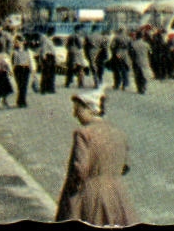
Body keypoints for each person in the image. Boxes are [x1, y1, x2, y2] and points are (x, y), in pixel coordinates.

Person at [54, 91, 137, 227]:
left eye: (78, 110)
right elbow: (125, 166)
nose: (75, 115)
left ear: (90, 109)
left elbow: (80, 169)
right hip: (116, 193)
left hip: (90, 193)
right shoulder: (119, 133)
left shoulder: (83, 133)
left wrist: (70, 195)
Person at [11, 36, 35, 107]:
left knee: (24, 85)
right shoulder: (14, 52)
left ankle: (22, 101)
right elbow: (14, 62)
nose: (16, 44)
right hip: (18, 69)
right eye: (15, 42)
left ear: (22, 42)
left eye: (17, 42)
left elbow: (31, 61)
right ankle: (20, 101)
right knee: (20, 85)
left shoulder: (27, 51)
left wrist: (33, 70)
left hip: (25, 69)